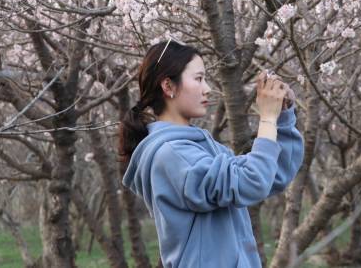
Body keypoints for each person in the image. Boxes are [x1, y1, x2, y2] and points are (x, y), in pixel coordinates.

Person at [120, 39, 304, 268]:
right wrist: (266, 118)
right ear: (168, 86)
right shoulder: (172, 154)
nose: (207, 88)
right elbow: (252, 182)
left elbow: (272, 175)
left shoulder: (200, 147)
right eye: (198, 79)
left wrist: (282, 118)